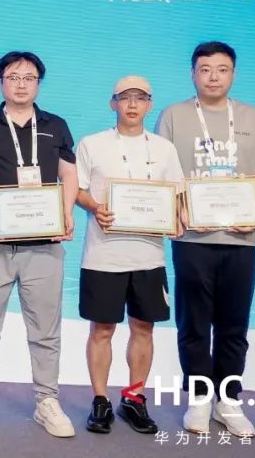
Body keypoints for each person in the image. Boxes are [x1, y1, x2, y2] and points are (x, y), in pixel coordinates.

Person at [155, 41, 255, 437]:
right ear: (193, 74)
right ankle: (199, 398)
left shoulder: (252, 116)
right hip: (191, 239)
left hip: (240, 240)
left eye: (222, 69)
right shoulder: (174, 115)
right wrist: (176, 210)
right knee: (193, 322)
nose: (213, 77)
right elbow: (161, 171)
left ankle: (228, 400)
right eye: (205, 69)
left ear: (233, 74)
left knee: (234, 323)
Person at [0, 51, 78, 437]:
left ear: (39, 83)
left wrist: (66, 212)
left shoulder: (56, 125)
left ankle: (47, 401)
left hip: (44, 245)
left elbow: (70, 174)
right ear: (1, 82)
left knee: (45, 331)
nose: (21, 84)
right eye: (13, 76)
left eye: (29, 77)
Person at [75, 76, 185, 435]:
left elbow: (176, 194)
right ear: (113, 103)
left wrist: (177, 219)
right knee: (102, 329)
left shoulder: (165, 149)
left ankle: (134, 398)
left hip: (149, 256)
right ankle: (100, 400)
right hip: (103, 255)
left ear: (150, 104)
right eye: (125, 98)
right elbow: (76, 189)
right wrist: (95, 207)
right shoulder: (92, 144)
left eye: (140, 98)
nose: (133, 104)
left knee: (143, 327)